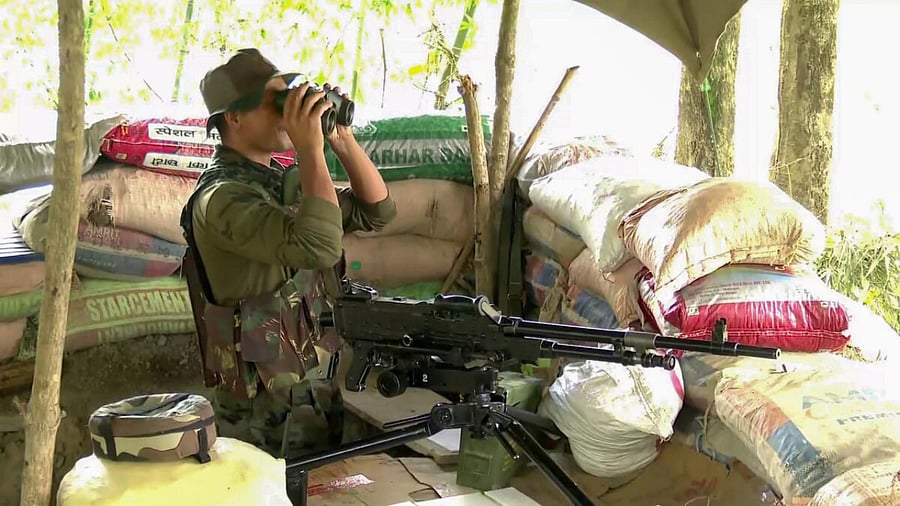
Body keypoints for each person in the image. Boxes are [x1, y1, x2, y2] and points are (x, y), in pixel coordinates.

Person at [179, 48, 397, 459]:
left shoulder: (279, 182)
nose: (286, 114)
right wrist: (310, 150)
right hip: (261, 405)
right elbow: (321, 245)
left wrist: (340, 140)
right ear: (235, 117)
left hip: (312, 385)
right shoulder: (221, 199)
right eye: (275, 103)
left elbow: (378, 210)